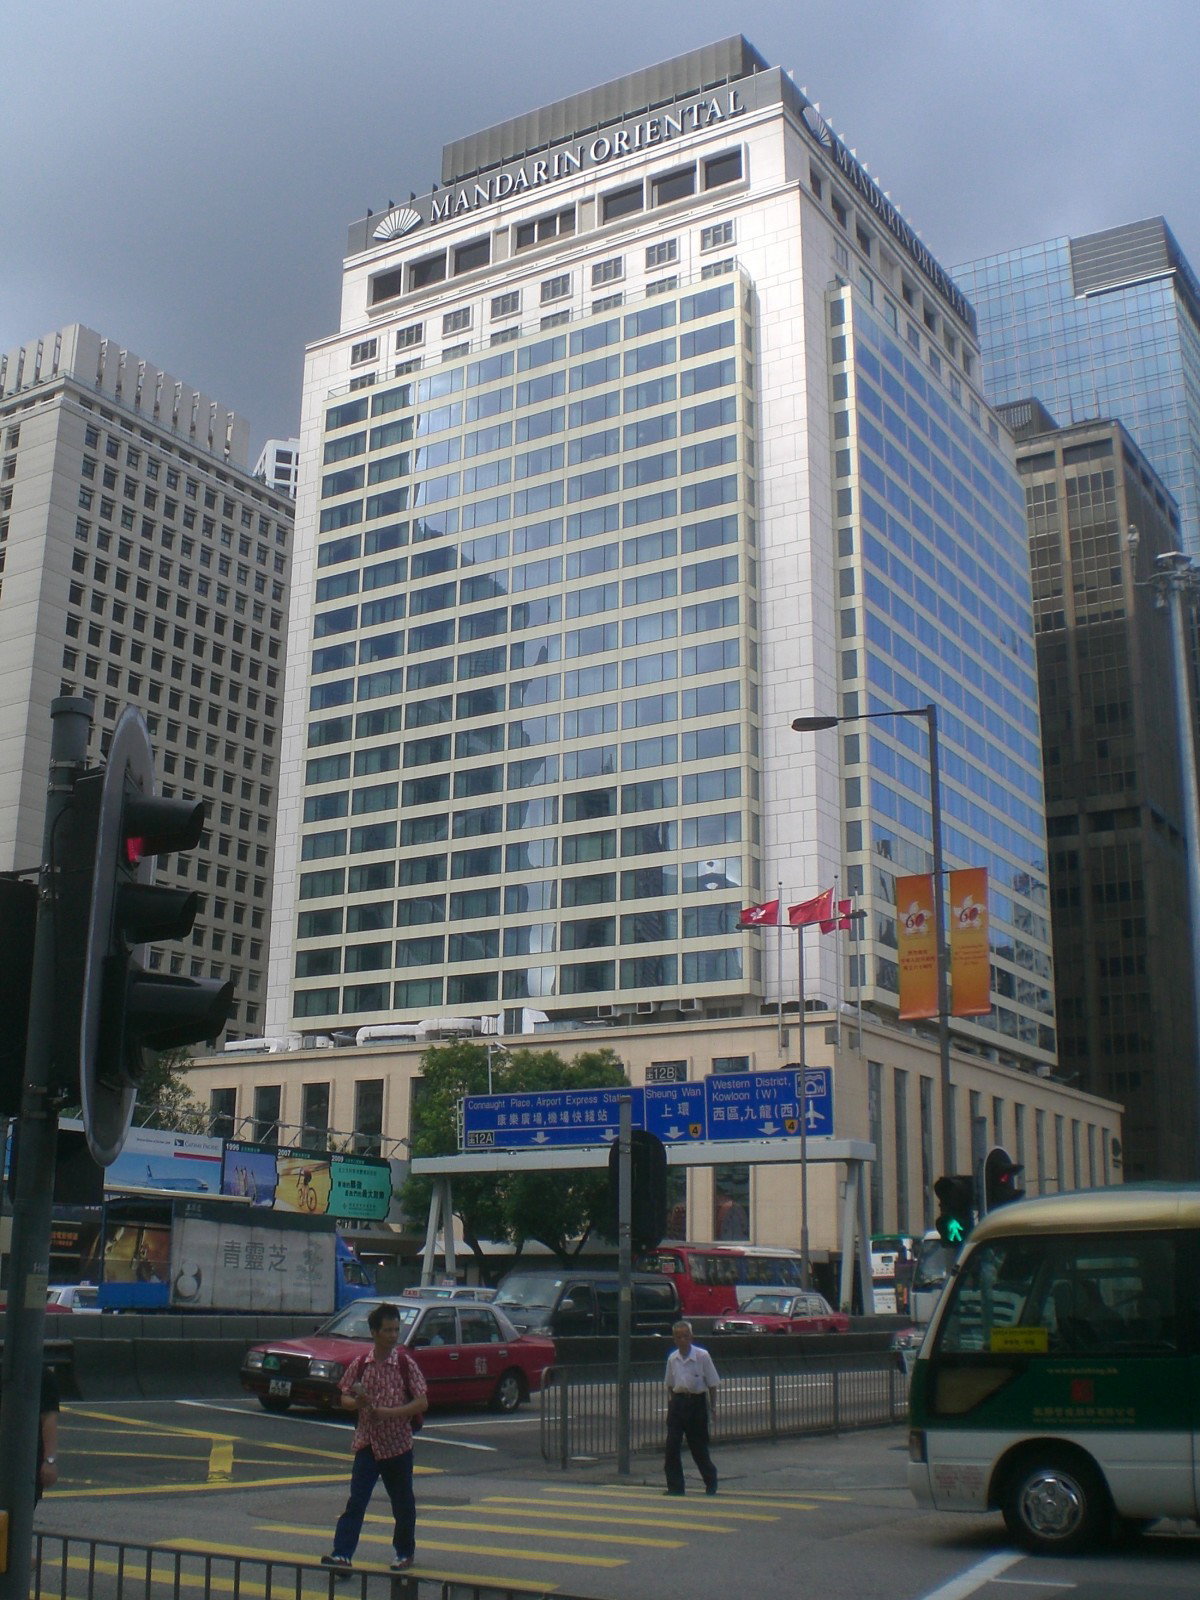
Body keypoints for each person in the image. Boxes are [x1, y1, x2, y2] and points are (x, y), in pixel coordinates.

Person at [322, 1303, 428, 1574]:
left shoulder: (405, 1363)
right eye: (387, 1330)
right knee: (357, 1500)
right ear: (374, 1332)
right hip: (368, 1443)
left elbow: (421, 1402)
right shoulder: (361, 1365)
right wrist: (356, 1402)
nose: (393, 1335)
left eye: (396, 1329)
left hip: (398, 1445)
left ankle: (404, 1552)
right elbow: (344, 1395)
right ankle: (342, 1554)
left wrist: (390, 1413)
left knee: (402, 1502)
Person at [663, 1319, 719, 1496]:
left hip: (697, 1403)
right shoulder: (673, 1358)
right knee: (672, 1445)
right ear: (674, 1339)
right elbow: (670, 1385)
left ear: (691, 1337)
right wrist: (672, 1405)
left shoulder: (702, 1356)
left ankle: (710, 1481)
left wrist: (713, 1408)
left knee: (698, 1447)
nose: (682, 1340)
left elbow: (712, 1383)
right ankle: (675, 1486)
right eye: (678, 1337)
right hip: (679, 1403)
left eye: (686, 1336)